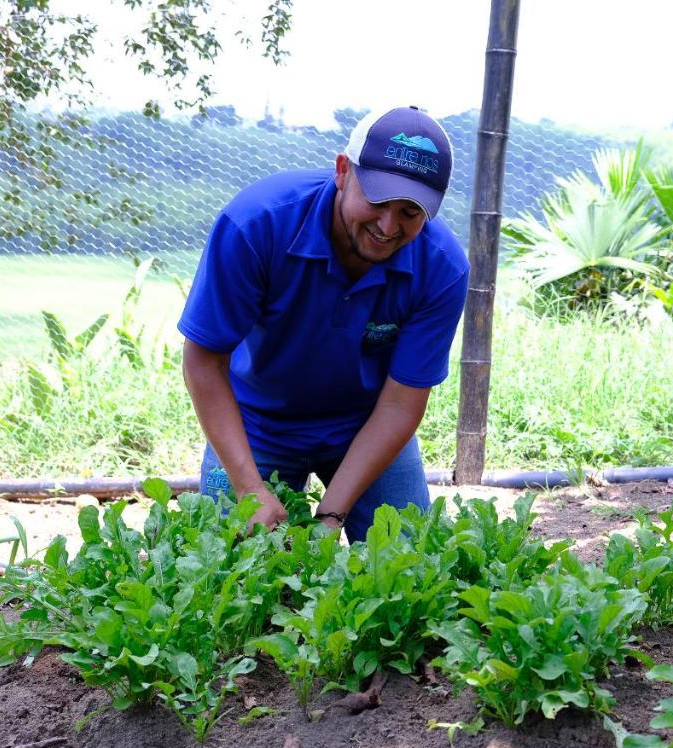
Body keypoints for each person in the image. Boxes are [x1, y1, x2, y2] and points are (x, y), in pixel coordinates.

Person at [178, 106, 468, 541]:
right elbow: (204, 361)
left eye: (410, 211)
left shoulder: (442, 267)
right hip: (256, 420)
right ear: (342, 172)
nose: (388, 226)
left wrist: (332, 515)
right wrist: (250, 488)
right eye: (377, 199)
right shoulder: (256, 224)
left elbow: (399, 404)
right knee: (225, 568)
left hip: (367, 424)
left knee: (411, 559)